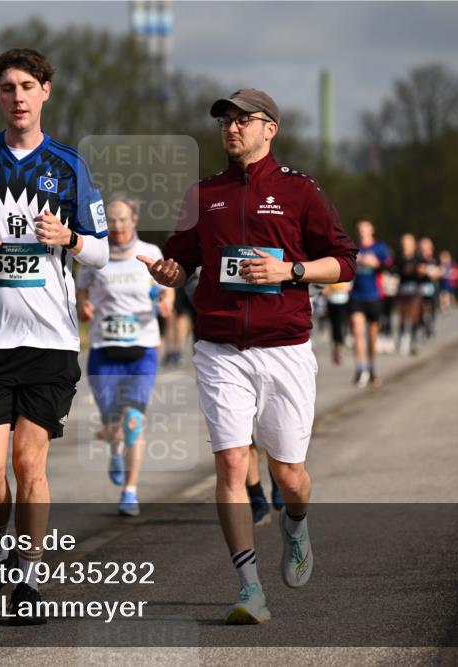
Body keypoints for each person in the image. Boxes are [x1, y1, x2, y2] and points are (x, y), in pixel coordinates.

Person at [140, 88, 357, 624]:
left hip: (284, 348)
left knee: (289, 475)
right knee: (234, 462)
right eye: (225, 122)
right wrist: (170, 270)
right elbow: (181, 258)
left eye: (243, 120)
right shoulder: (203, 194)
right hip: (220, 348)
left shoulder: (300, 191)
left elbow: (345, 261)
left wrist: (292, 271)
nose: (232, 129)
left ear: (271, 129)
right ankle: (249, 588)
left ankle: (297, 525)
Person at [0, 48, 108, 623]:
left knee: (30, 467)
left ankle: (26, 579)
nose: (18, 96)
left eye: (28, 86)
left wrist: (69, 239)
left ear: (46, 91)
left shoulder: (69, 165)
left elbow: (101, 250)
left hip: (50, 344)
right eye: (8, 87)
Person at [75, 195, 173, 517]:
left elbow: (167, 286)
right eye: (111, 220)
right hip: (104, 351)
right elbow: (81, 291)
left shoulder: (151, 253)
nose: (117, 225)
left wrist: (166, 302)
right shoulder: (94, 256)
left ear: (134, 220)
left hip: (143, 349)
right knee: (113, 422)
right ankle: (114, 446)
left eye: (123, 219)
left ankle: (130, 490)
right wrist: (84, 305)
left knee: (134, 421)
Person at [348, 218, 391, 387]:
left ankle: (372, 368)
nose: (362, 231)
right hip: (357, 295)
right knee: (357, 332)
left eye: (366, 228)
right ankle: (360, 369)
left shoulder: (379, 247)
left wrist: (376, 264)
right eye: (360, 229)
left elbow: (390, 267)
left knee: (372, 337)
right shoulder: (353, 248)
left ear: (372, 230)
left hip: (374, 296)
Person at [394, 233, 422, 355]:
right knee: (403, 316)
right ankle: (403, 338)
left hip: (415, 290)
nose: (406, 246)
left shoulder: (418, 258)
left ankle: (414, 340)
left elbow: (423, 272)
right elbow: (394, 271)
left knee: (414, 315)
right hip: (402, 290)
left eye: (409, 243)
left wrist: (421, 271)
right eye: (404, 243)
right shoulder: (399, 258)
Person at [416, 237, 441, 340]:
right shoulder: (418, 258)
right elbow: (418, 271)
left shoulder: (435, 259)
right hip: (421, 286)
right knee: (422, 305)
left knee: (432, 306)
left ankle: (430, 324)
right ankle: (422, 323)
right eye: (423, 246)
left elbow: (439, 272)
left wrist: (433, 273)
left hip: (432, 286)